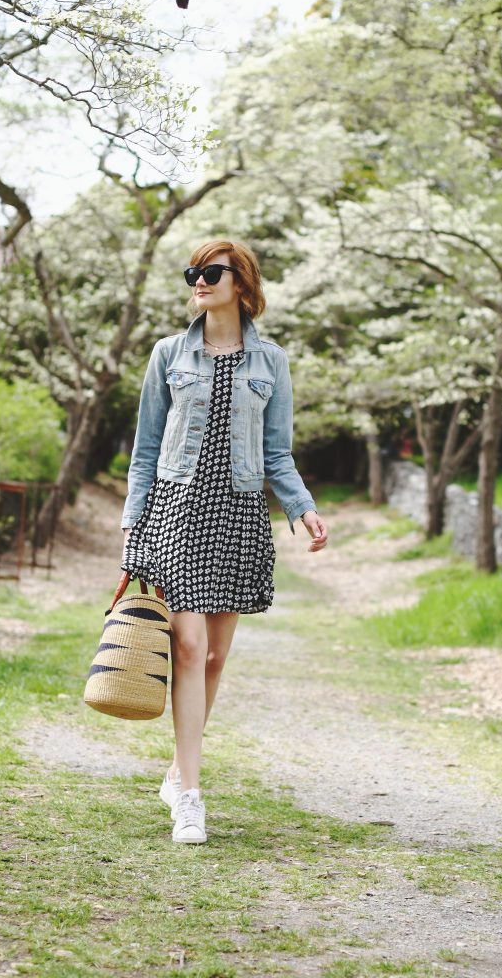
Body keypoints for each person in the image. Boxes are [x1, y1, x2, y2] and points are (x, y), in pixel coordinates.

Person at [120, 239, 328, 845]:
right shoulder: (168, 355)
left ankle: (177, 768)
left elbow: (277, 454)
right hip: (177, 511)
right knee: (185, 649)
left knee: (212, 659)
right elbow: (145, 450)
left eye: (211, 272)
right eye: (193, 273)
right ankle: (191, 795)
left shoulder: (272, 363)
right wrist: (134, 522)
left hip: (238, 516)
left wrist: (303, 508)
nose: (199, 282)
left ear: (241, 282)